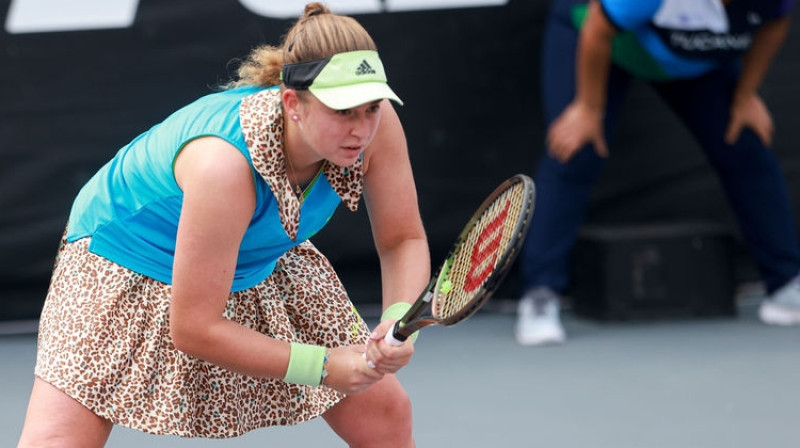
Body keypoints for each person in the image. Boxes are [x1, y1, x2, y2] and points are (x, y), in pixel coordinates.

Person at [17, 3, 429, 447]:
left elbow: (403, 238)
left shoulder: (377, 128)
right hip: (122, 256)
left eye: (370, 108)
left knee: (386, 414)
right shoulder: (222, 167)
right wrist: (325, 366)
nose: (361, 129)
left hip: (255, 252)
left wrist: (394, 320)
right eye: (343, 111)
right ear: (293, 103)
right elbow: (195, 327)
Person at [516, 0, 800, 346]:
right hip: (600, 37)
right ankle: (540, 294)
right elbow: (597, 28)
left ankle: (785, 284)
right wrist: (589, 109)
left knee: (745, 143)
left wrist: (745, 96)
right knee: (576, 151)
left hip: (689, 62)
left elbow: (774, 26)